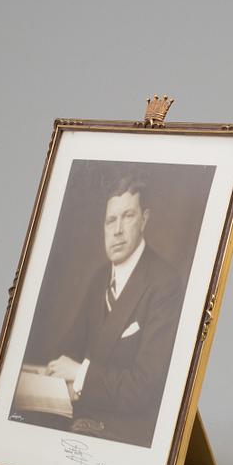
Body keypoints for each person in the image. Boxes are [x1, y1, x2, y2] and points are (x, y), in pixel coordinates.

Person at [45, 175, 182, 447]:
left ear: (144, 220)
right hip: (86, 413)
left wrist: (80, 375)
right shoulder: (100, 279)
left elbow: (143, 387)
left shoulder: (165, 283)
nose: (117, 230)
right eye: (111, 220)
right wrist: (52, 373)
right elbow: (69, 349)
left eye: (127, 216)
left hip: (127, 432)